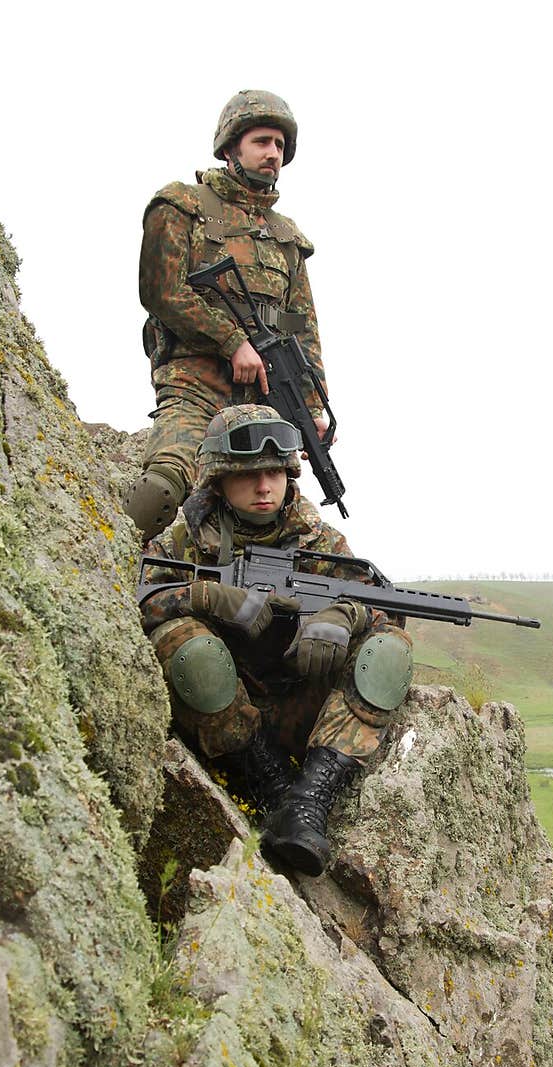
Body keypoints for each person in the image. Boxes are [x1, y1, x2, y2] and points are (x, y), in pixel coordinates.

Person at [138, 404, 413, 877]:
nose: (264, 487)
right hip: (223, 712)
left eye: (274, 472)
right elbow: (138, 597)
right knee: (185, 643)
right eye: (248, 474)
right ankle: (270, 785)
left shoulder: (320, 541)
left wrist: (345, 614)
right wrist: (205, 597)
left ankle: (310, 795)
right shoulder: (186, 538)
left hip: (303, 706)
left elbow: (385, 607)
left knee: (387, 648)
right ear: (220, 479)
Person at [126, 90, 330, 541]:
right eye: (261, 141)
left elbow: (301, 329)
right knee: (163, 486)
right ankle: (108, 575)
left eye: (279, 145)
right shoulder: (183, 205)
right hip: (195, 382)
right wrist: (231, 340)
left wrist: (313, 408)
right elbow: (160, 291)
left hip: (260, 399)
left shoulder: (286, 238)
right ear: (229, 148)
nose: (272, 154)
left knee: (280, 519)